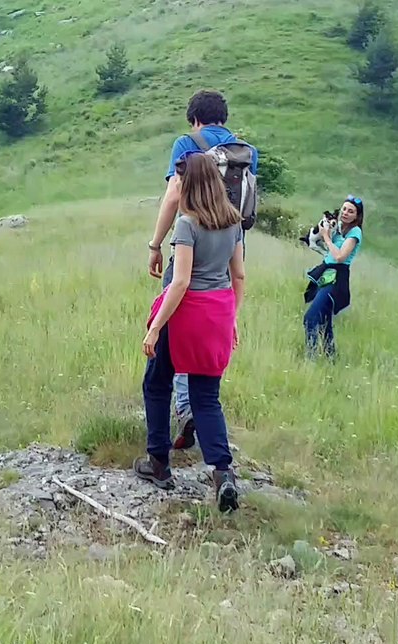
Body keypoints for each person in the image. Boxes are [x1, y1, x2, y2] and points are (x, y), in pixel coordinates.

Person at [147, 89, 258, 452]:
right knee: (208, 337)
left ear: (194, 118)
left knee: (173, 334)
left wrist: (155, 244)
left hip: (189, 247)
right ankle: (203, 414)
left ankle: (183, 410)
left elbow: (174, 195)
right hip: (229, 247)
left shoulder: (187, 143)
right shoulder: (245, 152)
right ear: (223, 117)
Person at [136, 152, 247, 513]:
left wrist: (154, 328)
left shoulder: (187, 225)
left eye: (178, 180)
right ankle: (223, 473)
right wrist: (232, 317)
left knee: (157, 382)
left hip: (186, 314)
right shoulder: (234, 223)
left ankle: (159, 463)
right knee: (205, 396)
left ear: (189, 184)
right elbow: (239, 276)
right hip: (217, 313)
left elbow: (180, 281)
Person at [303, 195, 364, 359]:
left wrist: (327, 238)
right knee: (324, 320)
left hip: (337, 275)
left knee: (310, 318)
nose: (345, 213)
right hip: (326, 272)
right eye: (344, 209)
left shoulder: (355, 232)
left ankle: (311, 358)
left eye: (350, 211)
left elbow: (339, 257)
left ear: (357, 216)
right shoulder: (339, 228)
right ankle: (331, 358)